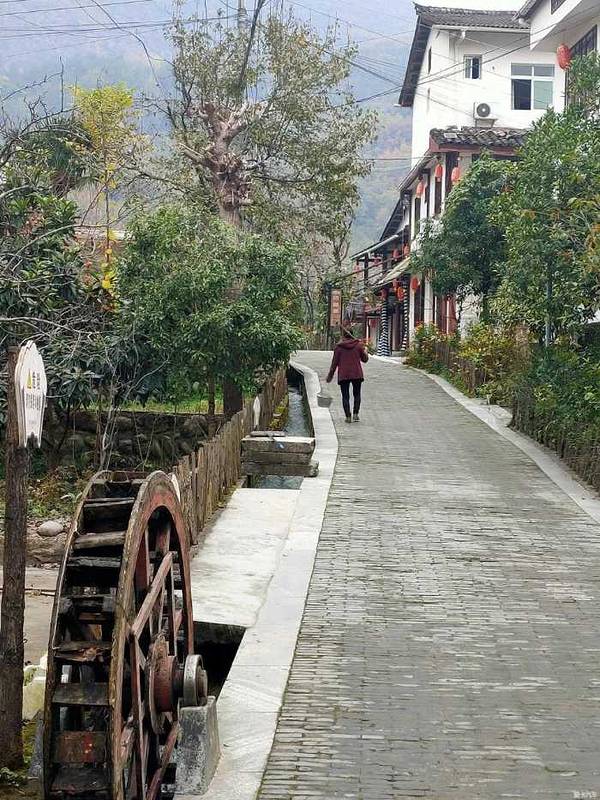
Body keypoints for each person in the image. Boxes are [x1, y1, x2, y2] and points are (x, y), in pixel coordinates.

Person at [326, 328, 369, 423]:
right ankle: (356, 414)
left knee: (345, 396)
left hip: (344, 374)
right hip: (356, 374)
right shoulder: (358, 345)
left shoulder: (339, 347)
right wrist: (365, 351)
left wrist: (330, 376)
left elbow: (334, 363)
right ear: (352, 334)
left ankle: (348, 416)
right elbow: (365, 360)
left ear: (343, 336)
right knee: (357, 394)